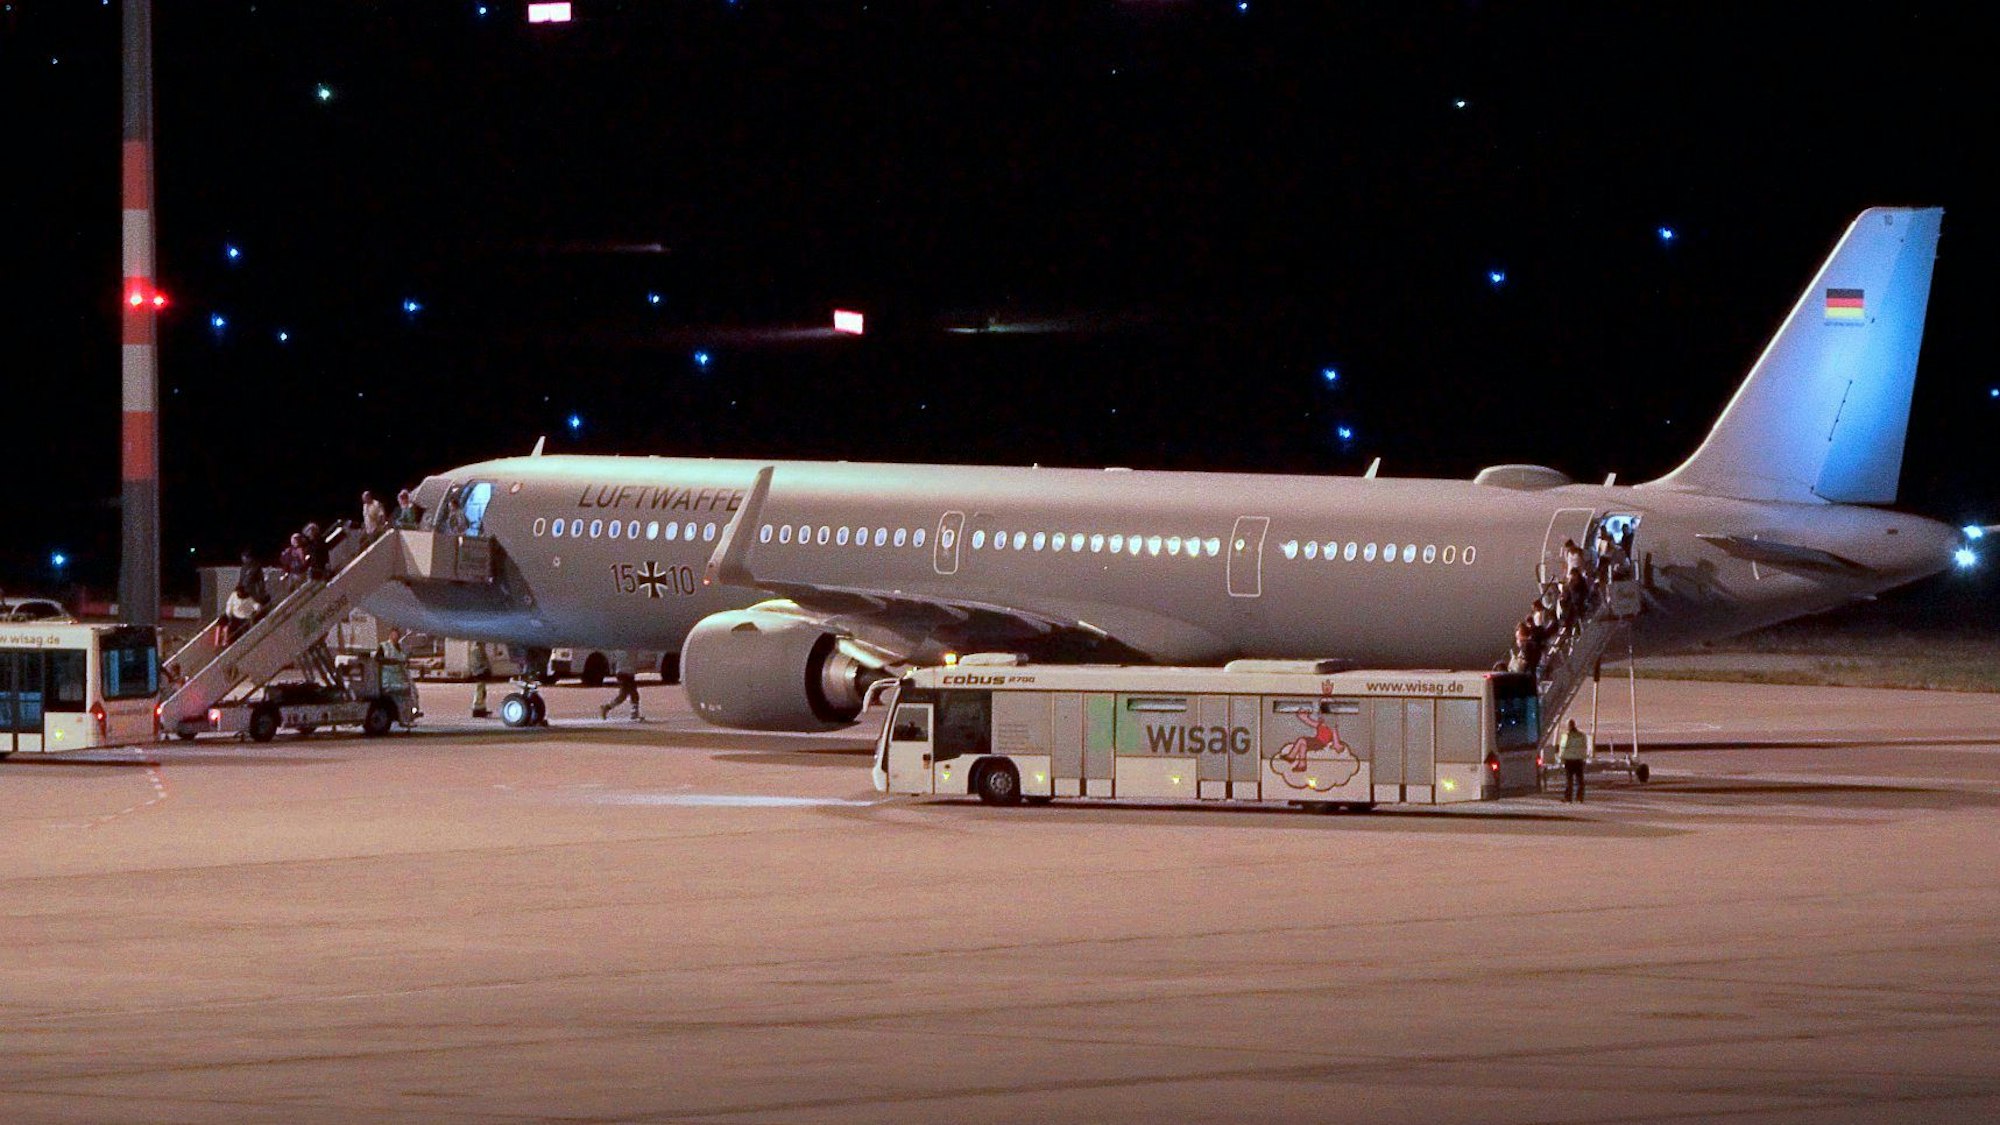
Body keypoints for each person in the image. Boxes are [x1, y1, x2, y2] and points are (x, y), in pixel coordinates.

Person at [598, 650, 643, 721]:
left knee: (625, 695)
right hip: (624, 673)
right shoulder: (624, 649)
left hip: (627, 672)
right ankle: (634, 713)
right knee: (631, 694)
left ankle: (607, 707)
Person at [1559, 719, 1590, 803]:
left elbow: (1563, 748)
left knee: (1569, 781)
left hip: (1569, 760)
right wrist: (1584, 757)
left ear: (1568, 726)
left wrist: (1561, 758)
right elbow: (1585, 746)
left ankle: (1568, 798)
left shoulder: (1566, 736)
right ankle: (1580, 798)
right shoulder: (1581, 735)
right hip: (1579, 760)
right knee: (1580, 780)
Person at [468, 640, 491, 718]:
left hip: (480, 672)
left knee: (482, 691)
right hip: (480, 672)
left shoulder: (478, 649)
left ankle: (481, 708)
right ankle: (478, 709)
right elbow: (478, 663)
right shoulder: (477, 650)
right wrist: (485, 668)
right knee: (480, 691)